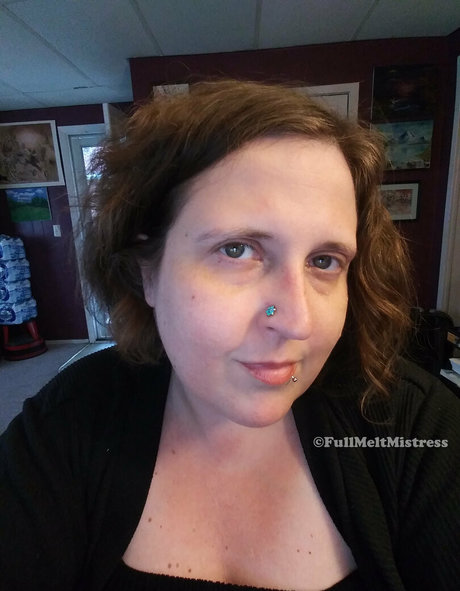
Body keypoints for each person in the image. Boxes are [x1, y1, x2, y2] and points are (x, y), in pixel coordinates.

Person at [1, 80, 458, 591]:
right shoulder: (70, 420)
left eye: (324, 261)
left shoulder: (414, 427)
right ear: (148, 271)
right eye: (237, 250)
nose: (297, 321)